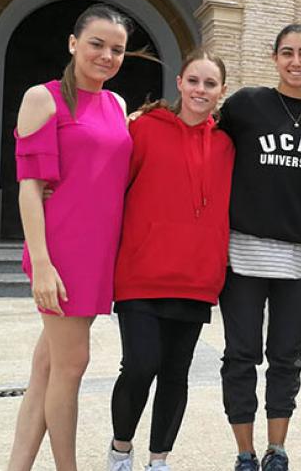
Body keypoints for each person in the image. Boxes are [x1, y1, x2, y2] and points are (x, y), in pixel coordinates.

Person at [8, 3, 134, 471]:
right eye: (97, 44)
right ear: (73, 43)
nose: (106, 55)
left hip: (98, 252)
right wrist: (41, 263)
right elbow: (29, 188)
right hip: (59, 252)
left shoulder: (118, 105)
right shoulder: (43, 99)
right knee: (71, 366)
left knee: (47, 369)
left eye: (117, 49)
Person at [104, 49, 234, 471]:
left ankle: (159, 459)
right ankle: (121, 450)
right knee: (141, 365)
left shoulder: (228, 146)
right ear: (179, 83)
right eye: (193, 81)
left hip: (195, 278)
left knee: (176, 374)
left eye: (210, 84)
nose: (201, 90)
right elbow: (108, 185)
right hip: (141, 273)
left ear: (221, 92)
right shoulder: (142, 131)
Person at [217, 24, 301, 471]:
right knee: (241, 354)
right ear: (274, 58)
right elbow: (203, 137)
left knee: (286, 357)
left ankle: (277, 450)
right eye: (287, 53)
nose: (296, 61)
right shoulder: (247, 105)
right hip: (244, 253)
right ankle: (245, 453)